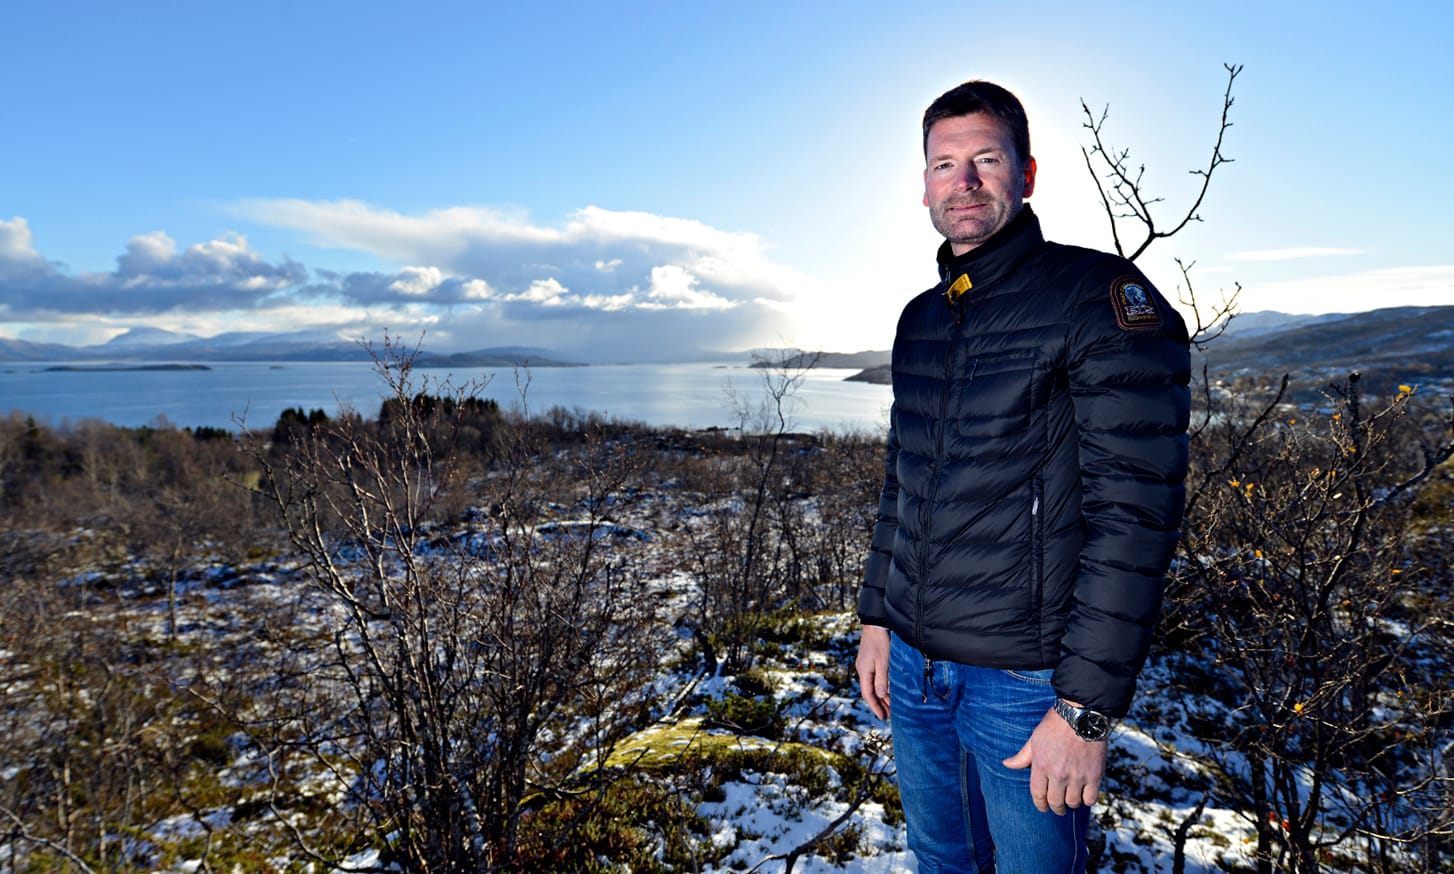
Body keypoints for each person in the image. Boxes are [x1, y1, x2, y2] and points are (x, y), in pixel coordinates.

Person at [855, 80, 1191, 873]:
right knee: (942, 860)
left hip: (1025, 682)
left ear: (1027, 173)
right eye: (945, 164)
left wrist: (1084, 711)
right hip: (913, 666)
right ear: (925, 185)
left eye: (986, 159)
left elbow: (1134, 519)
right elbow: (903, 481)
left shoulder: (1096, 299)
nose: (964, 181)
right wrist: (877, 617)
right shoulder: (921, 319)